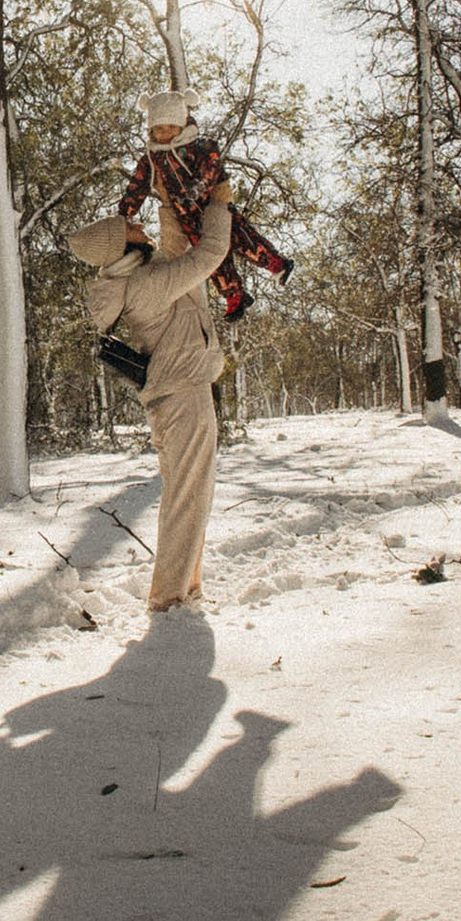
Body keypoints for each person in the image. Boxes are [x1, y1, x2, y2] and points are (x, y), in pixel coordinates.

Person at [71, 179, 233, 613]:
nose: (137, 224)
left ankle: (185, 589)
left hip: (182, 397)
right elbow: (210, 255)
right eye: (129, 226)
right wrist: (219, 207)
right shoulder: (150, 285)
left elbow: (178, 245)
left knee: (194, 495)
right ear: (122, 246)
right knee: (187, 498)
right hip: (182, 401)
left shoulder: (149, 274)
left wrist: (167, 194)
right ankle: (169, 598)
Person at [117, 90, 291, 321]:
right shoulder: (151, 158)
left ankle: (276, 263)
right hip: (187, 216)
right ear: (151, 131)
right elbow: (137, 185)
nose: (166, 134)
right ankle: (234, 295)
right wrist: (124, 213)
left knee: (241, 238)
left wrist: (197, 188)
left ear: (182, 124)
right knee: (209, 257)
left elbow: (210, 169)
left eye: (171, 127)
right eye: (159, 129)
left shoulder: (199, 146)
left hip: (214, 202)